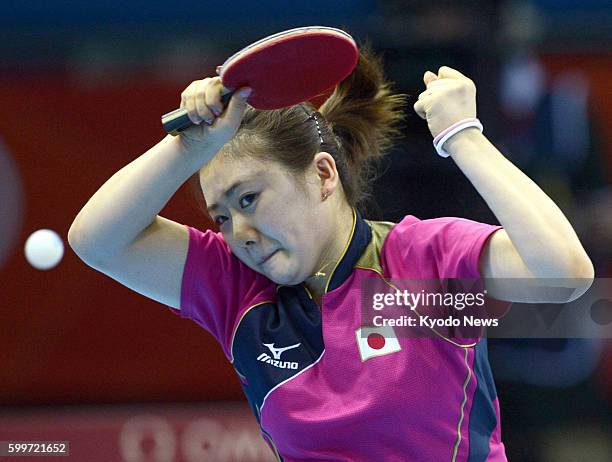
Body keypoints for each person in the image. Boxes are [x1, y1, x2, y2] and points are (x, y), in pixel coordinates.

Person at [68, 45, 594, 461]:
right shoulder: (236, 292)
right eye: (222, 216)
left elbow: (564, 273)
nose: (240, 232)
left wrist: (463, 136)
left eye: (250, 198)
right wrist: (190, 146)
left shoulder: (419, 260)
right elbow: (97, 240)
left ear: (323, 175)